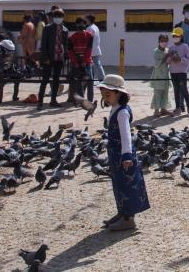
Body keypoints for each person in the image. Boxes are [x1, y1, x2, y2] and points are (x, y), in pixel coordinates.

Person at [97, 75, 150, 232]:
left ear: (119, 93)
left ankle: (128, 219)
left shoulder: (122, 112)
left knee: (128, 187)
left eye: (108, 94)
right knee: (119, 184)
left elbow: (126, 135)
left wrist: (127, 156)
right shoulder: (115, 108)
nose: (105, 97)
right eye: (103, 94)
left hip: (123, 155)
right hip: (115, 155)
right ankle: (122, 213)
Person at [37, 8, 69, 110]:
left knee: (56, 80)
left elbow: (65, 44)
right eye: (56, 16)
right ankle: (40, 102)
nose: (58, 18)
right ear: (53, 17)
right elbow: (43, 44)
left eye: (60, 16)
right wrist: (45, 58)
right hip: (49, 58)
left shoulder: (65, 30)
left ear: (63, 18)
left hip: (59, 58)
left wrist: (65, 56)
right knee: (45, 80)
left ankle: (53, 100)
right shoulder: (48, 28)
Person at [67, 17, 94, 104]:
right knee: (78, 82)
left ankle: (90, 101)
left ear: (85, 25)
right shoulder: (71, 37)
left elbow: (89, 50)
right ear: (76, 25)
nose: (81, 26)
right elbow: (70, 52)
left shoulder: (90, 36)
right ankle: (82, 101)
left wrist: (84, 61)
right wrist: (75, 63)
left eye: (83, 24)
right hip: (76, 63)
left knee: (90, 81)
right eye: (79, 24)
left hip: (87, 62)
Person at [167, 27, 189, 116]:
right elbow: (168, 61)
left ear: (181, 36)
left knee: (184, 89)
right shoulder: (171, 48)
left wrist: (180, 59)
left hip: (182, 72)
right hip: (173, 72)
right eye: (174, 36)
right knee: (176, 90)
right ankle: (178, 108)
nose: (175, 37)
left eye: (177, 36)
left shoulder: (185, 46)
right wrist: (170, 57)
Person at [149, 34, 172, 117]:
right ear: (159, 41)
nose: (163, 42)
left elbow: (169, 62)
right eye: (162, 41)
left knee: (165, 92)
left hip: (165, 75)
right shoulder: (156, 51)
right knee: (157, 92)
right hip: (158, 75)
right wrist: (166, 57)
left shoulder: (167, 50)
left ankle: (163, 109)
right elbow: (157, 64)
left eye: (165, 41)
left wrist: (171, 56)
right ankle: (156, 110)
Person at [85, 15, 104, 83]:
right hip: (95, 49)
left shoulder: (90, 28)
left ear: (89, 20)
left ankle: (100, 79)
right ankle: (100, 79)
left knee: (92, 65)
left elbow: (88, 40)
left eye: (86, 19)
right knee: (97, 65)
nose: (86, 21)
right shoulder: (95, 27)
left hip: (91, 50)